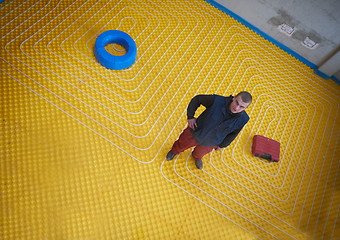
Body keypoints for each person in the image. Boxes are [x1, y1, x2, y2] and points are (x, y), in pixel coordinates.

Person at [166, 91, 252, 169]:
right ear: (234, 97)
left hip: (212, 142)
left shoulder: (244, 119)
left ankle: (197, 157)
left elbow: (234, 133)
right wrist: (190, 117)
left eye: (241, 107)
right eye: (237, 102)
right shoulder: (216, 101)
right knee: (182, 144)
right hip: (196, 132)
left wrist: (222, 145)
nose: (236, 108)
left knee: (200, 153)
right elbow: (197, 99)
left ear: (246, 108)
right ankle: (174, 151)